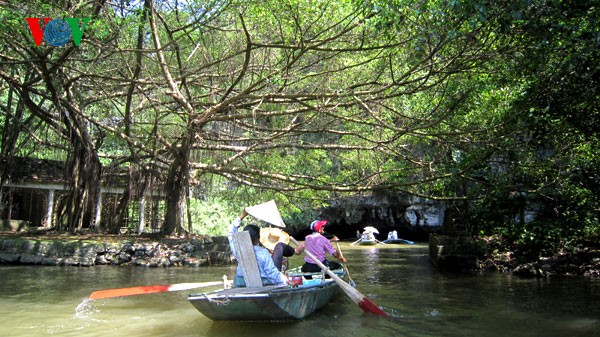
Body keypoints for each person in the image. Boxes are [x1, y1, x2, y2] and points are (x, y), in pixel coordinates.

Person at [227, 209, 288, 287]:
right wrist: (285, 280)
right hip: (261, 284)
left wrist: (242, 215)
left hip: (240, 283)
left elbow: (231, 232)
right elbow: (272, 273)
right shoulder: (263, 253)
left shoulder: (238, 249)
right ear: (258, 239)